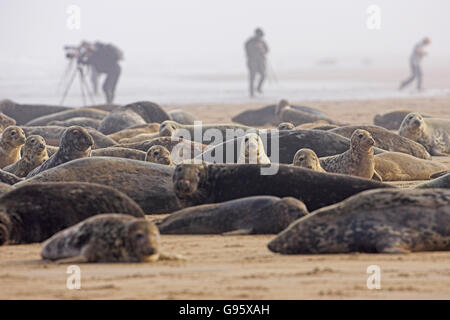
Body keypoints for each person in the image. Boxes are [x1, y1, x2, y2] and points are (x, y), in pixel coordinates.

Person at [245, 28, 269, 97]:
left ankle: (258, 88)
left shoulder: (262, 42)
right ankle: (251, 93)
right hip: (252, 61)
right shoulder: (250, 42)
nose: (260, 36)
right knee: (252, 77)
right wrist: (255, 50)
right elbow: (248, 51)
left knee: (263, 75)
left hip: (261, 61)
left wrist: (263, 51)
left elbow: (267, 49)